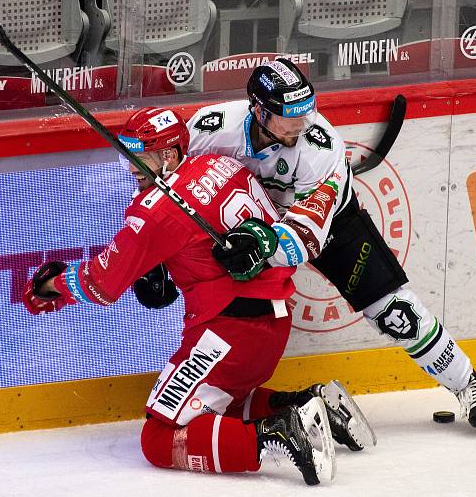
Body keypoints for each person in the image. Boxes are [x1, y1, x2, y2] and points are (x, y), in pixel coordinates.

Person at [134, 59, 476, 435]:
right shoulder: (211, 128)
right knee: (236, 321)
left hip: (326, 226)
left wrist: (264, 244)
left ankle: (465, 381)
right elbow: (162, 179)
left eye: (305, 111)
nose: (302, 123)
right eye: (289, 115)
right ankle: (231, 399)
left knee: (394, 311)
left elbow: (307, 237)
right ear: (258, 111)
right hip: (244, 228)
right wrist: (153, 258)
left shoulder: (320, 148)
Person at [21, 107, 375, 485]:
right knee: (224, 406)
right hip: (272, 323)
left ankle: (276, 433)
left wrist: (52, 287)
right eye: (127, 157)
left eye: (140, 158)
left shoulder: (156, 210)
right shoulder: (220, 164)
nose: (132, 170)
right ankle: (306, 402)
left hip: (229, 332)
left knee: (158, 440)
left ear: (170, 155)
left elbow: (102, 284)